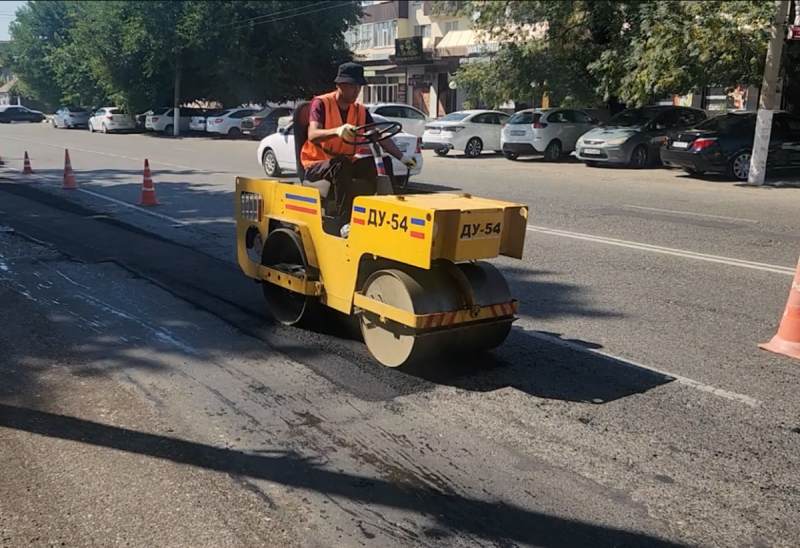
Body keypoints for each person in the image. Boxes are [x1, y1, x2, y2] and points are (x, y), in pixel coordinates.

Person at [300, 62, 417, 236]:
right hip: (316, 163)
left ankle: (387, 212)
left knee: (382, 163)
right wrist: (337, 131)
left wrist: (402, 158)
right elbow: (313, 134)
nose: (356, 91)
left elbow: (378, 135)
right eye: (352, 86)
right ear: (340, 85)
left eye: (359, 86)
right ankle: (345, 221)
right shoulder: (321, 104)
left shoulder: (360, 110)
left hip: (345, 162)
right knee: (341, 164)